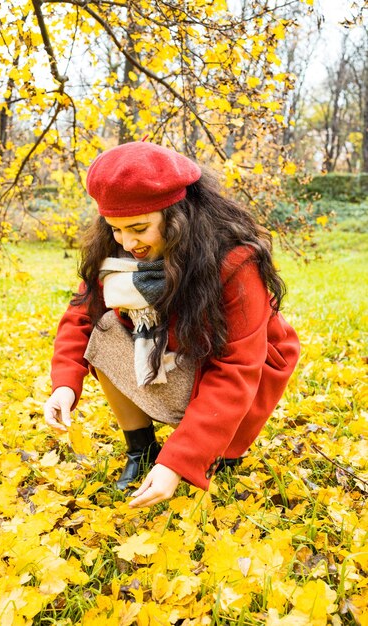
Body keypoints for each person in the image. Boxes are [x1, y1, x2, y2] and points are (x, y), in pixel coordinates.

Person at [44, 141, 300, 509]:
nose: (128, 243)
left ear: (176, 215)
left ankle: (209, 451)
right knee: (104, 330)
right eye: (115, 229)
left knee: (206, 459)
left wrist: (179, 462)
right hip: (175, 357)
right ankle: (142, 451)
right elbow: (82, 315)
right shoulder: (117, 252)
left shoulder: (234, 262)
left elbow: (237, 369)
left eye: (138, 228)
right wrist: (65, 386)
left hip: (242, 377)